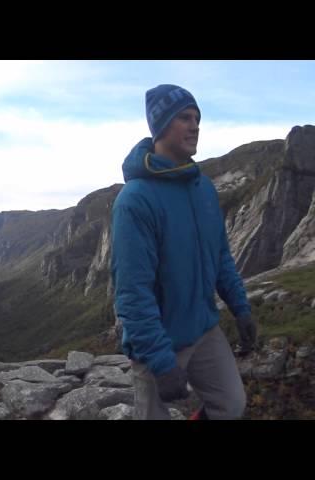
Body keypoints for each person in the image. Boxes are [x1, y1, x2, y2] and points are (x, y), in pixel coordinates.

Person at [110, 84, 257, 420]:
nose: (195, 126)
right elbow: (132, 292)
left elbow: (220, 255)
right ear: (161, 126)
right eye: (185, 118)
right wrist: (161, 362)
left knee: (231, 405)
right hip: (157, 342)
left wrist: (241, 308)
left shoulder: (202, 187)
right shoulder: (135, 199)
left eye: (197, 118)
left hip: (203, 329)